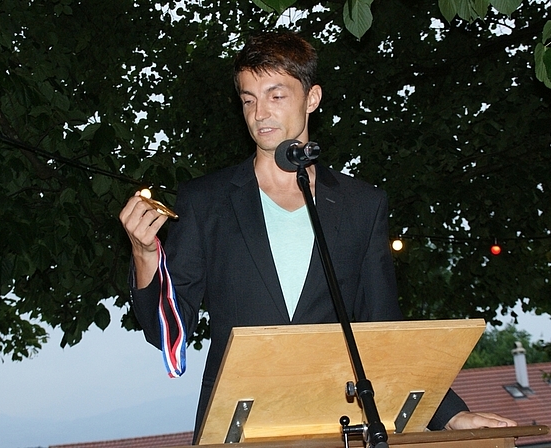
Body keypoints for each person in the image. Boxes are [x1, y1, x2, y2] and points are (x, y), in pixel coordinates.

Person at [119, 31, 516, 442]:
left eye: (276, 95)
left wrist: (451, 415)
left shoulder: (362, 204)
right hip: (237, 427)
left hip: (338, 425)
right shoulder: (205, 200)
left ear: (312, 98)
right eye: (248, 99)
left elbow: (382, 330)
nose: (260, 114)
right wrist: (145, 255)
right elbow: (165, 330)